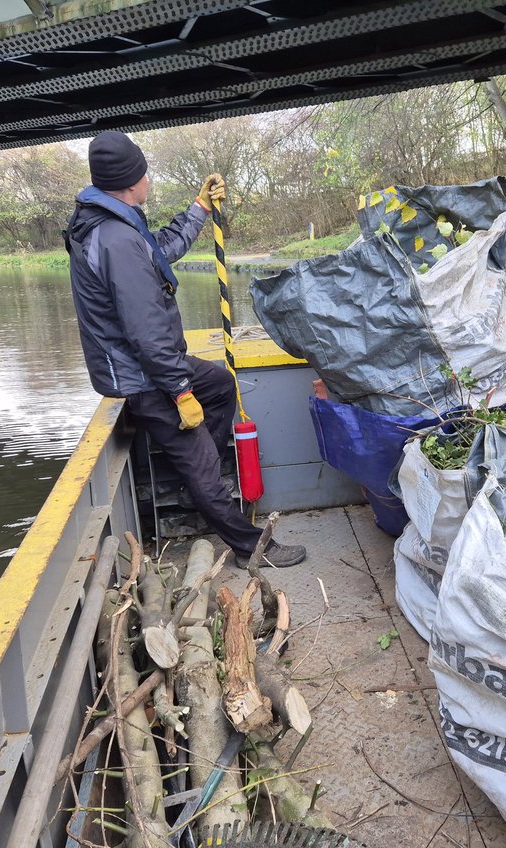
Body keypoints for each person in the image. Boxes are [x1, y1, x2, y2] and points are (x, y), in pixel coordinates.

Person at [64, 130, 306, 568]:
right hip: (145, 373)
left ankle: (197, 478)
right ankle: (250, 548)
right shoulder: (115, 240)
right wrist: (178, 390)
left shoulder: (113, 223)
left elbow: (162, 250)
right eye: (144, 171)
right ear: (131, 180)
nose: (149, 178)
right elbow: (146, 329)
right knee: (199, 456)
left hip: (147, 363)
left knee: (217, 384)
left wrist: (199, 209)